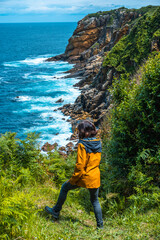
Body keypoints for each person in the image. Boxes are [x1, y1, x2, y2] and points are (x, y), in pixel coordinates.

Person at [45, 120, 103, 229]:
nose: (77, 133)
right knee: (95, 201)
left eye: (79, 131)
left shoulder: (82, 145)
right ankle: (100, 227)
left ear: (84, 132)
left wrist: (73, 179)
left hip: (84, 177)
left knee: (64, 187)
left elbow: (80, 165)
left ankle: (56, 211)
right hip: (95, 176)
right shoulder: (98, 142)